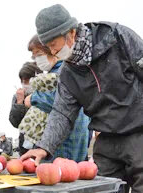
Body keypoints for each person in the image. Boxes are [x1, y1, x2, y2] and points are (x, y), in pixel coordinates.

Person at [21, 4, 143, 193]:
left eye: (54, 45)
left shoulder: (116, 37)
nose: (53, 53)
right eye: (49, 48)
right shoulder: (68, 73)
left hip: (138, 132)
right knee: (104, 188)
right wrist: (43, 147)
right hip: (106, 140)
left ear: (70, 33)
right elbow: (62, 113)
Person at [22, 35, 90, 162]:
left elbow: (62, 102)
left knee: (60, 174)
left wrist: (34, 98)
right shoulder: (68, 70)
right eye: (34, 56)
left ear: (51, 50)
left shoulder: (62, 72)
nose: (37, 59)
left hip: (65, 137)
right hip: (78, 133)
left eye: (39, 53)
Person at [9, 62, 42, 155]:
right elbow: (15, 123)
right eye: (22, 81)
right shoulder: (17, 97)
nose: (24, 84)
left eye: (27, 80)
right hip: (25, 146)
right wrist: (19, 103)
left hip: (42, 144)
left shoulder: (45, 94)